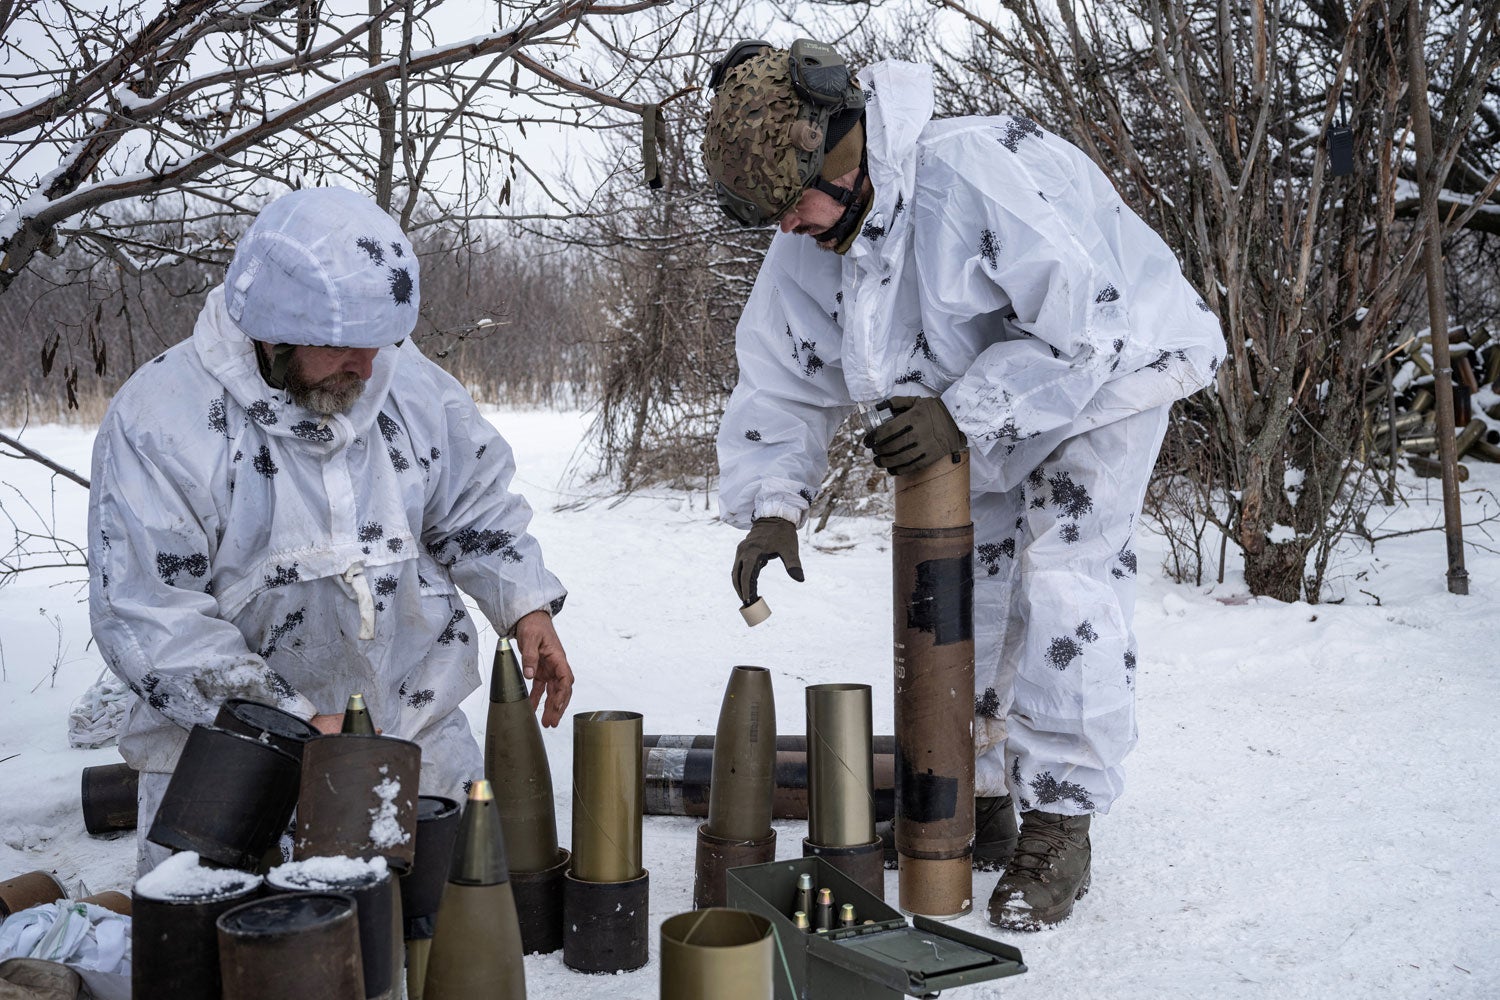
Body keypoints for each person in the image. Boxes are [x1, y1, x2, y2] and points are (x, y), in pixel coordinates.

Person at [703, 41, 1224, 929]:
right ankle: (975, 792)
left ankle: (1062, 817)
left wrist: (964, 415)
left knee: (1065, 577)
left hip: (1110, 376)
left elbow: (1084, 330)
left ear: (840, 146)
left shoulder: (971, 176)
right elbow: (780, 381)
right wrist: (771, 506)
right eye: (772, 216)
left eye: (791, 205)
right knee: (963, 593)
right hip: (979, 399)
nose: (787, 226)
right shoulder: (815, 231)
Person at [86, 187, 574, 873]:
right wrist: (286, 717)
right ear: (274, 325)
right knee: (243, 968)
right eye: (346, 348)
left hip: (414, 735)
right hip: (228, 761)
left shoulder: (410, 391)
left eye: (382, 345)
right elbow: (146, 615)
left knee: (438, 946)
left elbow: (476, 504)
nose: (368, 368)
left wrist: (525, 606)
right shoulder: (161, 421)